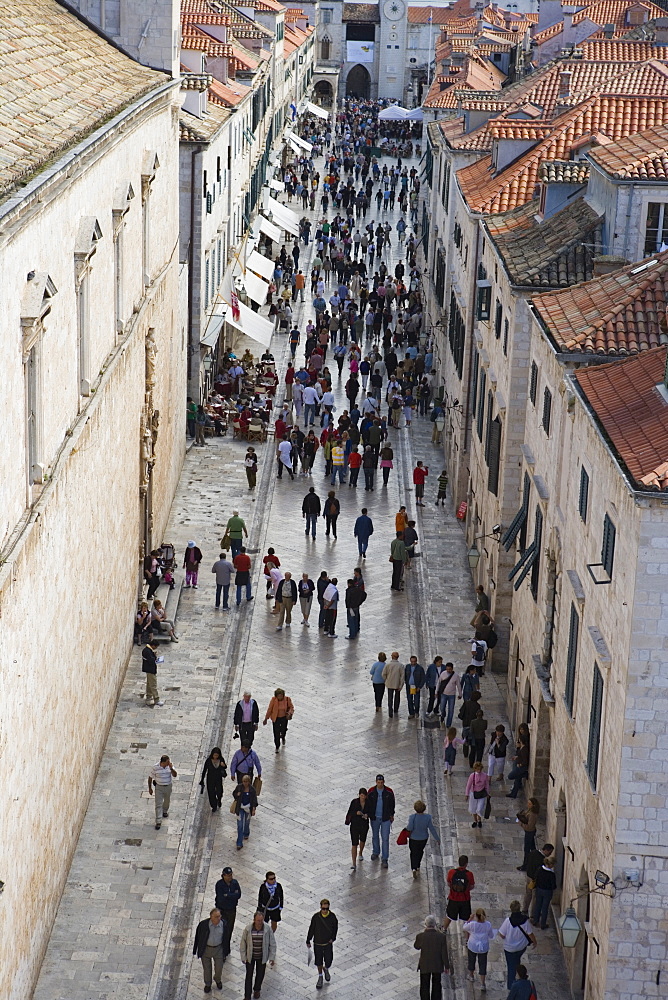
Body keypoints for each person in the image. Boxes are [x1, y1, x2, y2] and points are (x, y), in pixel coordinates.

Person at [497, 901, 536, 989]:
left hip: (509, 949)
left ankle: (511, 987)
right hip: (521, 947)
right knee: (517, 960)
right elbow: (530, 934)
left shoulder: (507, 921)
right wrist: (535, 942)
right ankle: (518, 973)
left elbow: (502, 935)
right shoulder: (525, 921)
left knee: (511, 968)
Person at [239, 910, 276, 999]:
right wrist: (243, 956)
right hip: (250, 956)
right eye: (258, 920)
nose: (260, 923)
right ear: (254, 920)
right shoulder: (248, 929)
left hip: (262, 956)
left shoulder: (267, 929)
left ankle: (257, 989)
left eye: (261, 920)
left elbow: (272, 943)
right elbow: (243, 943)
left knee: (260, 975)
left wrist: (272, 957)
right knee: (248, 976)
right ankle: (247, 996)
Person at [413, 914, 450, 1000]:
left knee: (424, 986)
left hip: (425, 965)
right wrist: (447, 966)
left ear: (425, 924)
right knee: (436, 984)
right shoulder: (441, 937)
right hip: (437, 965)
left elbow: (416, 946)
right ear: (434, 924)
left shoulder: (420, 936)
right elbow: (444, 952)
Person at [193, 908, 228, 994]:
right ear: (211, 917)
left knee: (219, 967)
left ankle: (217, 979)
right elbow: (198, 937)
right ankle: (208, 984)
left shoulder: (224, 924)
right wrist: (195, 949)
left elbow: (226, 938)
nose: (218, 918)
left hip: (218, 949)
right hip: (206, 949)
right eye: (216, 917)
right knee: (207, 968)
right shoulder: (204, 925)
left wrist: (226, 950)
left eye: (219, 916)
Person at [307, 899, 339, 990]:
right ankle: (320, 976)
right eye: (323, 908)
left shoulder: (332, 917)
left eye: (326, 909)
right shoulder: (316, 917)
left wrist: (333, 938)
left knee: (329, 960)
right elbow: (311, 928)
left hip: (328, 943)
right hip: (318, 943)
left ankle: (326, 968)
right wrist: (308, 940)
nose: (325, 910)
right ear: (320, 907)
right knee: (318, 961)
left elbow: (335, 928)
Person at [365, 773, 395, 868]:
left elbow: (392, 804)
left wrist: (391, 815)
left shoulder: (389, 792)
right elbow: (368, 804)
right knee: (375, 836)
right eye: (379, 782)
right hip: (375, 818)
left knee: (385, 838)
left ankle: (385, 858)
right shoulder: (371, 792)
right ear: (376, 782)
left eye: (381, 782)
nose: (380, 784)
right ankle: (376, 851)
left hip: (385, 818)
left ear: (384, 782)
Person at [406, 800, 440, 877]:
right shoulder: (428, 817)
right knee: (420, 851)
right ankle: (418, 865)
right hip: (423, 839)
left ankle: (414, 867)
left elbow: (410, 827)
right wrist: (437, 838)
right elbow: (432, 829)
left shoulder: (412, 817)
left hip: (414, 838)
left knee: (413, 852)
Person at [463, 908, 494, 993]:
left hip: (473, 945)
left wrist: (469, 918)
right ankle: (483, 984)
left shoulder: (473, 924)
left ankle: (471, 975)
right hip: (483, 947)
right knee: (483, 964)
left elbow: (464, 927)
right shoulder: (488, 924)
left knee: (471, 960)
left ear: (476, 916)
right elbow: (491, 935)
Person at [444, 855, 475, 929]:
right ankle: (467, 937)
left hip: (453, 898)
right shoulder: (469, 874)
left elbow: (449, 883)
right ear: (466, 864)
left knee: (449, 916)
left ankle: (444, 929)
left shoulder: (451, 872)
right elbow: (472, 886)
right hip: (465, 899)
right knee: (466, 919)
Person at [215, 867, 242, 949]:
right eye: (228, 875)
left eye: (231, 875)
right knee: (222, 929)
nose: (230, 877)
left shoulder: (234, 883)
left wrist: (228, 895)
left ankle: (226, 946)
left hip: (231, 910)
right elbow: (221, 899)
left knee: (229, 929)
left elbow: (238, 895)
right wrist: (232, 895)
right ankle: (221, 946)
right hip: (222, 910)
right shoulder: (219, 884)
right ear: (223, 875)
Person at [523, 843, 555, 914]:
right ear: (546, 850)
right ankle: (533, 913)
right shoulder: (542, 860)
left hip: (528, 876)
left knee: (528, 894)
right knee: (535, 897)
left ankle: (524, 909)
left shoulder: (533, 852)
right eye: (550, 852)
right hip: (534, 880)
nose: (550, 854)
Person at [148, 754, 177, 830]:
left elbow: (175, 775)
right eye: (167, 762)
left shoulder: (170, 766)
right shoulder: (155, 767)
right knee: (158, 803)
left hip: (168, 786)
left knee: (167, 801)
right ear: (163, 762)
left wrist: (171, 768)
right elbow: (150, 778)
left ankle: (165, 811)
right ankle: (158, 821)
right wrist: (150, 788)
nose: (169, 763)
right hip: (159, 787)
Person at [263, 687, 294, 752]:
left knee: (283, 729)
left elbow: (291, 707)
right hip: (276, 718)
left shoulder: (287, 699)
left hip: (284, 718)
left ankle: (283, 736)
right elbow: (270, 709)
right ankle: (277, 745)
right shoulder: (273, 700)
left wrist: (290, 713)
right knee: (276, 732)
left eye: (281, 696)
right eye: (278, 696)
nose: (280, 697)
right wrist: (266, 718)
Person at [232, 774, 258, 851]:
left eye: (246, 782)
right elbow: (234, 794)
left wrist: (253, 809)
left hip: (248, 808)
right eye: (244, 781)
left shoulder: (252, 789)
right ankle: (239, 843)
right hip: (240, 808)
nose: (245, 783)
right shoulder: (239, 787)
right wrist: (237, 794)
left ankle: (246, 833)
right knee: (240, 825)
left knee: (246, 822)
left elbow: (254, 800)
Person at [345, 788, 369, 869]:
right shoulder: (354, 802)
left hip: (364, 825)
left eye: (364, 796)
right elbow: (349, 812)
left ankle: (360, 853)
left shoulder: (368, 803)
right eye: (361, 795)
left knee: (362, 840)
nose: (362, 797)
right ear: (359, 795)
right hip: (355, 825)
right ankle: (354, 863)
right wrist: (356, 813)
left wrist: (367, 815)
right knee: (354, 843)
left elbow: (372, 812)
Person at [199, 746, 227, 813]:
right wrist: (202, 779)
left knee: (219, 791)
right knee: (211, 793)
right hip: (210, 779)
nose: (215, 757)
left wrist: (223, 765)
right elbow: (204, 770)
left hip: (218, 778)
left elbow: (225, 767)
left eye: (217, 755)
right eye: (214, 755)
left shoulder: (221, 759)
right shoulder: (208, 760)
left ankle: (219, 800)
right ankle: (214, 806)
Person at [532, 856, 557, 929]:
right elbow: (553, 885)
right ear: (551, 864)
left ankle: (535, 921)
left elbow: (535, 877)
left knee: (538, 905)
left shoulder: (540, 869)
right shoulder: (551, 874)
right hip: (547, 892)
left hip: (539, 889)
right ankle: (543, 924)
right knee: (545, 907)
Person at [466, 761, 491, 829]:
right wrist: (467, 794)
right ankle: (475, 820)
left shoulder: (485, 775)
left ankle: (479, 820)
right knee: (473, 808)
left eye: (480, 769)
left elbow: (487, 785)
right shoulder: (472, 776)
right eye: (477, 769)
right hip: (473, 793)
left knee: (479, 809)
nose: (479, 770)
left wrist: (488, 793)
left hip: (481, 794)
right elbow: (468, 785)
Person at [437, 662, 462, 728]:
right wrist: (436, 692)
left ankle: (448, 724)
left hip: (452, 695)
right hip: (444, 694)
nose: (448, 670)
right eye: (447, 669)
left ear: (452, 669)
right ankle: (443, 715)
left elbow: (458, 685)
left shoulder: (456, 676)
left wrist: (460, 694)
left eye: (450, 669)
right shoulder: (443, 674)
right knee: (442, 707)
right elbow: (438, 683)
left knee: (451, 710)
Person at [517, 798, 540, 870]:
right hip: (529, 832)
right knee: (532, 848)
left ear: (533, 805)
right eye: (528, 803)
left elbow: (530, 827)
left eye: (530, 804)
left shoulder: (533, 814)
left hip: (530, 832)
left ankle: (525, 866)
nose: (528, 805)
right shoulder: (529, 811)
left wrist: (521, 824)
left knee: (527, 849)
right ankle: (537, 862)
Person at [142, 640, 164, 708]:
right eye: (156, 647)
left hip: (149, 669)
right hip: (150, 670)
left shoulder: (147, 650)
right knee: (153, 685)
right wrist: (155, 656)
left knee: (149, 684)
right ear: (153, 645)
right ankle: (156, 700)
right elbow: (151, 661)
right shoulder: (147, 651)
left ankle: (148, 697)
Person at [382, 651, 404, 718]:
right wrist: (401, 685)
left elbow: (383, 674)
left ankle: (390, 711)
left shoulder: (388, 665)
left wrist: (386, 680)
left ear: (392, 656)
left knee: (390, 698)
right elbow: (402, 676)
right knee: (397, 697)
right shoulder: (401, 665)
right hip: (397, 684)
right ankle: (396, 709)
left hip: (390, 683)